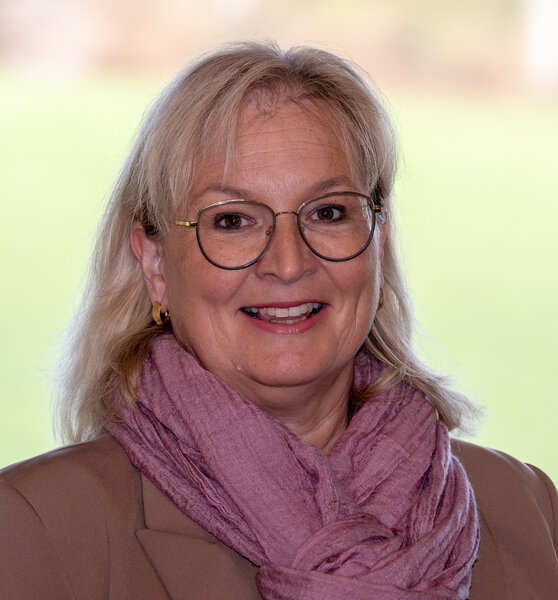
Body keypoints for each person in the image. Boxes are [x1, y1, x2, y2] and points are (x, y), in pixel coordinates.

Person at [1, 41, 556, 600]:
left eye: (329, 213)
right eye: (233, 220)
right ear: (156, 264)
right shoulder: (34, 531)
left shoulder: (530, 510)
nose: (288, 264)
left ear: (378, 243)